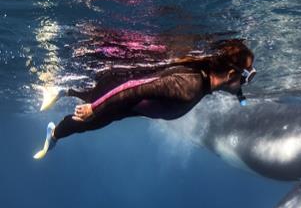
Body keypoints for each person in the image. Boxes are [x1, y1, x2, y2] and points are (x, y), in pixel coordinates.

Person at [34, 39, 256, 159]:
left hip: (127, 103)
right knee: (87, 121)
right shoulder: (190, 86)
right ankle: (52, 135)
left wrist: (243, 100)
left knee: (96, 105)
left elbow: (238, 90)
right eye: (247, 76)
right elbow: (134, 89)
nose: (245, 84)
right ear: (229, 75)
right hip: (123, 93)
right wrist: (96, 108)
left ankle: (61, 91)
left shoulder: (203, 80)